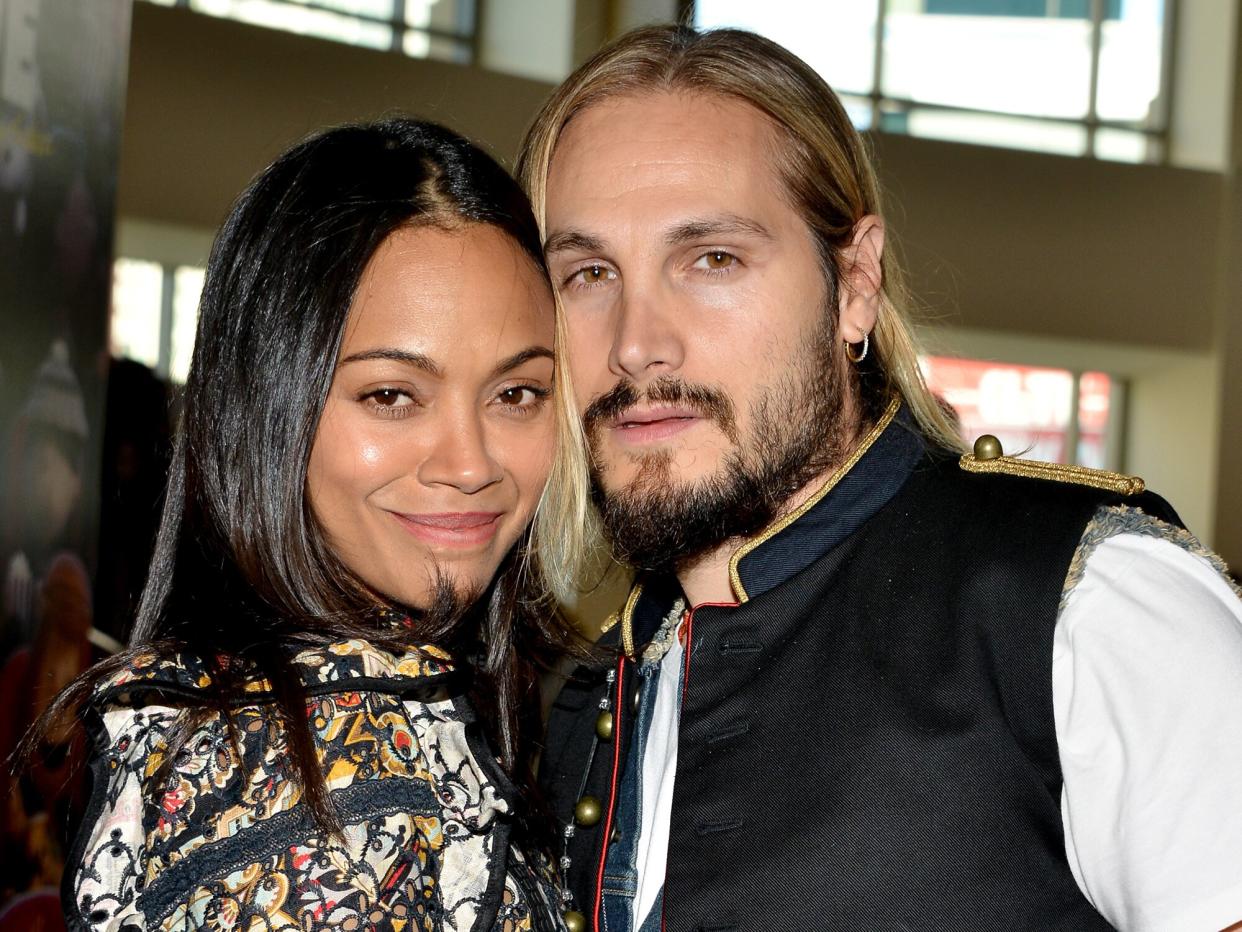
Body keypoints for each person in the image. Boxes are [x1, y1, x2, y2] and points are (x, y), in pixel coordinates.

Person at [517, 25, 1242, 932]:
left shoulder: (1092, 608)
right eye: (587, 273)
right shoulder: (588, 699)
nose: (634, 342)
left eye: (711, 259)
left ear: (853, 282)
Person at [31, 118, 590, 931]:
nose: (471, 465)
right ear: (267, 408)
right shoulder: (318, 795)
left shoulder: (335, 705)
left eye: (516, 395)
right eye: (392, 395)